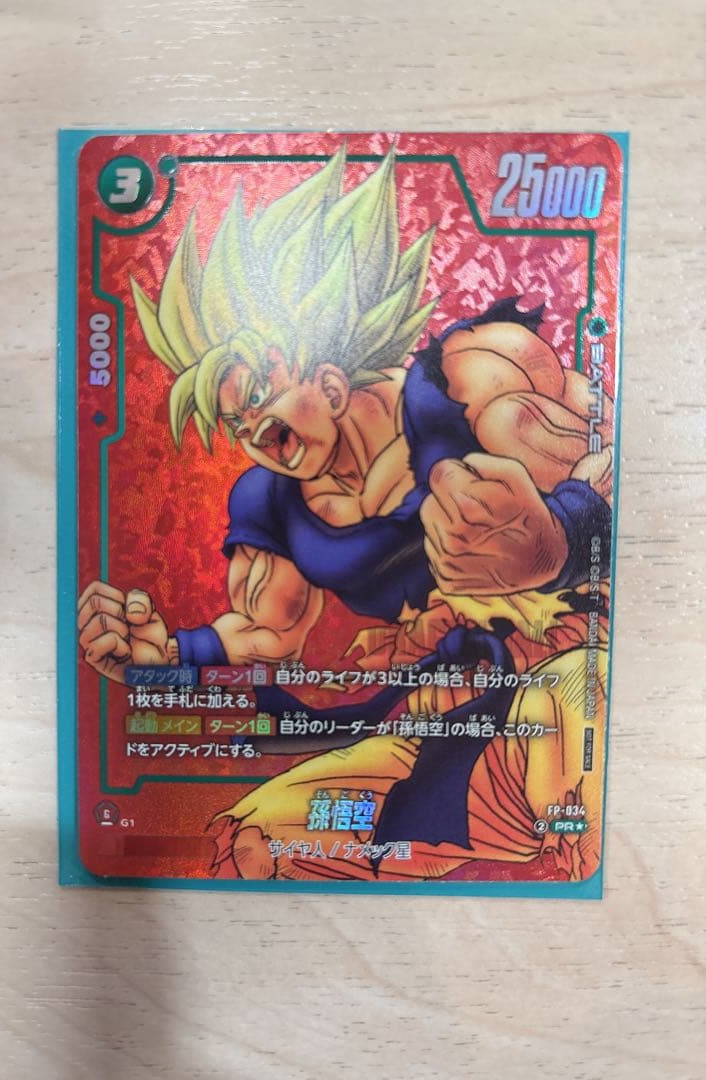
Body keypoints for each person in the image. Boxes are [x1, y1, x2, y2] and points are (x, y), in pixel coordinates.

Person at [78, 147, 613, 881]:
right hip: (434, 721)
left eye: (261, 390)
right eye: (235, 420)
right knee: (251, 845)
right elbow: (268, 634)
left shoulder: (468, 384)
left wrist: (560, 537)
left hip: (560, 681)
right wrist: (169, 659)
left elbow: (609, 462)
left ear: (328, 369)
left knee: (570, 749)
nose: (255, 431)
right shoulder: (270, 501)